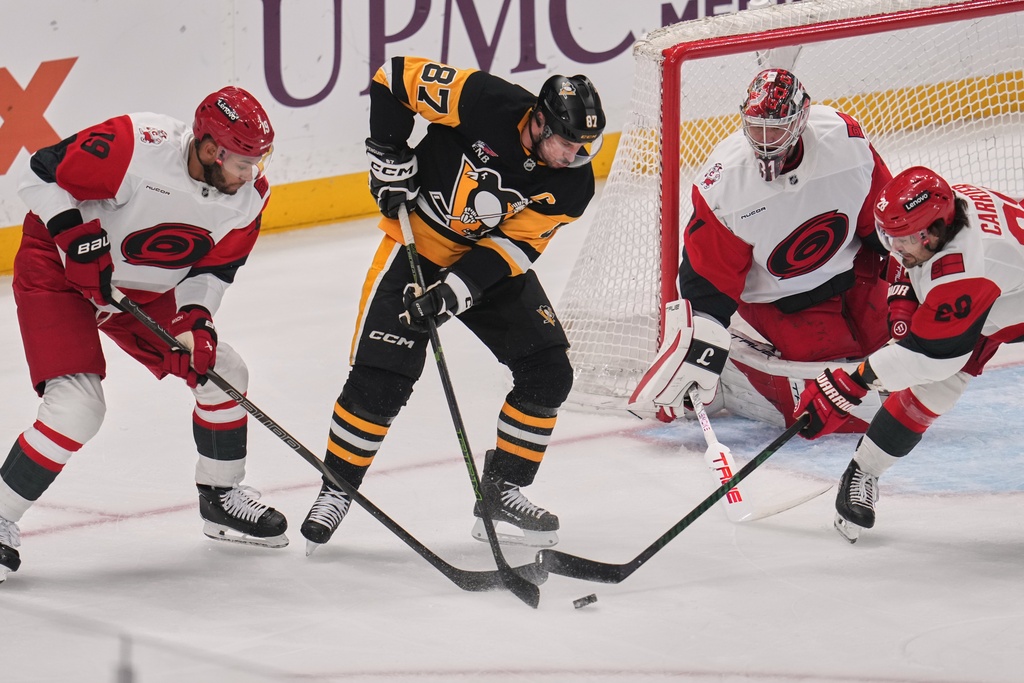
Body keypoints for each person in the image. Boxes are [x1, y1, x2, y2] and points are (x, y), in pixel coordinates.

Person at [299, 56, 605, 553]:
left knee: (548, 371)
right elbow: (393, 77)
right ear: (539, 120)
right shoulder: (484, 99)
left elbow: (514, 248)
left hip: (483, 260)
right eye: (566, 143)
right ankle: (336, 488)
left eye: (583, 147)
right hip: (415, 239)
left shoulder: (573, 183)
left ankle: (502, 492)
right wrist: (389, 154)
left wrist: (453, 292)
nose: (574, 156)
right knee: (382, 378)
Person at [0, 86, 288, 583]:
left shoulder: (249, 199)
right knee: (78, 408)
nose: (251, 174)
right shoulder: (137, 143)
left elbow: (213, 272)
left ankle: (220, 496)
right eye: (243, 162)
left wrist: (197, 319)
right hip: (61, 271)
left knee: (223, 370)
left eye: (258, 161)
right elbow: (36, 173)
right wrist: (73, 232)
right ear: (208, 149)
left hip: (144, 288)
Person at [629, 68, 896, 431]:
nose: (766, 139)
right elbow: (709, 282)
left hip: (854, 276)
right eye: (757, 127)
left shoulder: (844, 141)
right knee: (832, 395)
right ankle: (735, 373)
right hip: (780, 301)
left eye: (777, 127)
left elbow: (883, 219)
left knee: (902, 343)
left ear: (802, 118)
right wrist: (698, 351)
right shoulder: (726, 185)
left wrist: (910, 272)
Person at [795, 166, 1024, 542]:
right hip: (1004, 290)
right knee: (933, 388)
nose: (894, 248)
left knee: (939, 382)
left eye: (902, 239)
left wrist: (853, 382)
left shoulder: (966, 270)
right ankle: (863, 472)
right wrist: (902, 309)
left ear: (933, 233)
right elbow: (910, 266)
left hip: (1006, 299)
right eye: (889, 235)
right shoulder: (945, 211)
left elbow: (933, 359)